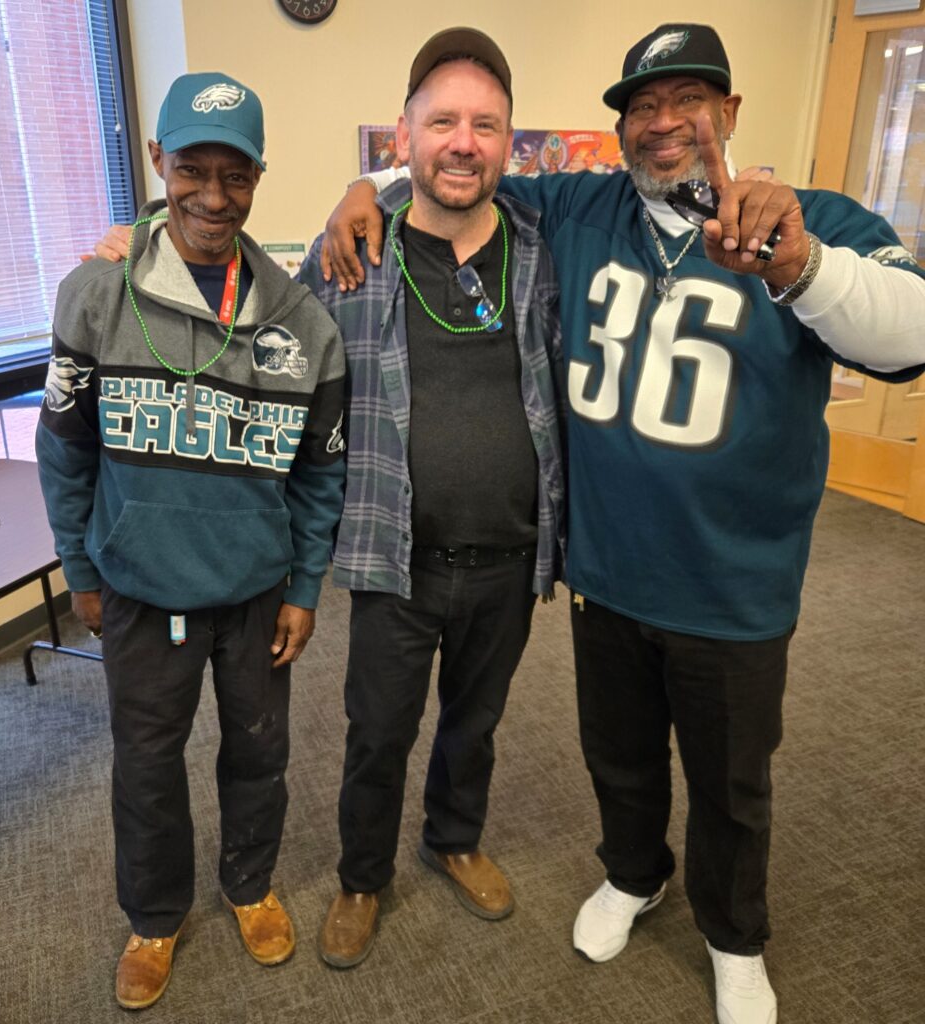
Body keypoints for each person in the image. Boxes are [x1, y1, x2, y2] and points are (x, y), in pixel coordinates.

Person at [320, 22, 925, 1024]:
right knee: (621, 757)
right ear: (621, 130)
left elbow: (908, 337)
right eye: (642, 106)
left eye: (688, 101)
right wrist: (362, 189)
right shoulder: (582, 204)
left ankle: (734, 938)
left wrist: (802, 264)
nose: (663, 123)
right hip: (607, 572)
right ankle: (636, 875)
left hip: (733, 584)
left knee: (731, 783)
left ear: (728, 114)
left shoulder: (812, 219)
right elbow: (450, 179)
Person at [36, 71, 346, 1010]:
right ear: (157, 163)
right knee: (146, 761)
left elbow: (320, 475)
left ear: (258, 175)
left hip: (255, 594)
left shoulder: (303, 324)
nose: (213, 196)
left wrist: (305, 587)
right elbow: (65, 450)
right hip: (138, 591)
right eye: (192, 170)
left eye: (235, 174)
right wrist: (83, 568)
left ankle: (249, 886)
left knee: (258, 756)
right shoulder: (94, 297)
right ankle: (155, 916)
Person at [299, 28, 565, 969]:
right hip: (393, 557)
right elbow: (260, 331)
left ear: (509, 141)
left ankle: (453, 837)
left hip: (508, 551)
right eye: (442, 120)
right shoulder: (349, 253)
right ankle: (362, 876)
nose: (463, 141)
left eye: (484, 124)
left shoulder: (543, 246)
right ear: (403, 134)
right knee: (378, 732)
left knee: (475, 723)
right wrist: (143, 237)